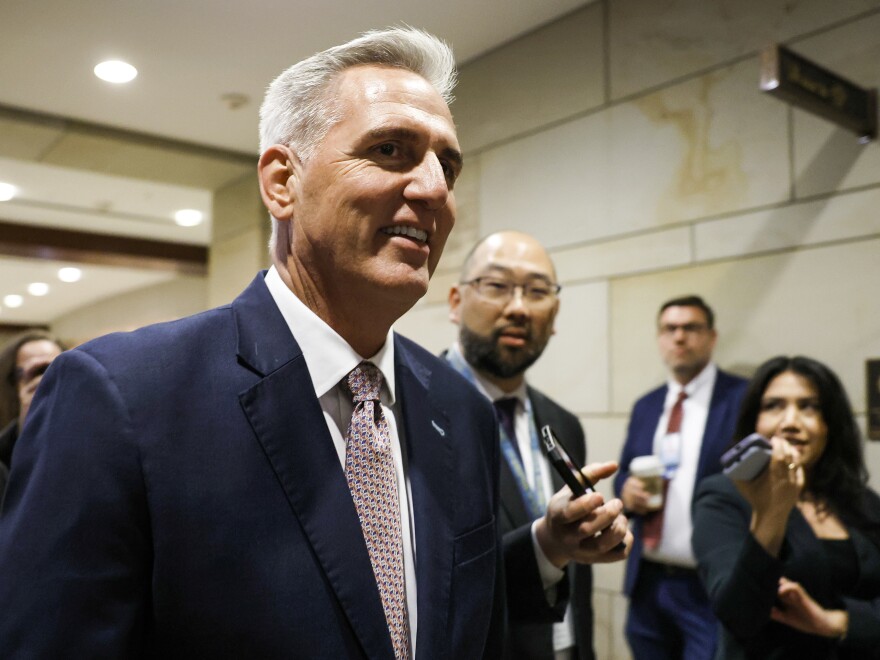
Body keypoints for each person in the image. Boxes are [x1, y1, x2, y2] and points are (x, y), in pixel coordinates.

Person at [0, 27, 628, 659]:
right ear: (282, 183)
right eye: (389, 149)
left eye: (448, 165)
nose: (435, 189)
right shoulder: (120, 397)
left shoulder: (459, 412)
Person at [446, 231, 629, 660]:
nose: (518, 308)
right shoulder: (413, 408)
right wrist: (547, 542)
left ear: (556, 311)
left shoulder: (563, 423)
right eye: (496, 286)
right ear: (455, 301)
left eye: (537, 292)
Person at [692, 356, 880, 659]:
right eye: (774, 406)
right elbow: (739, 615)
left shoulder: (861, 500)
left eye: (809, 406)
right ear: (754, 422)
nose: (790, 422)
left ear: (829, 424)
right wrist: (772, 512)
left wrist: (838, 622)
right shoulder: (722, 496)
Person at [614, 295, 748, 659]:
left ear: (712, 336)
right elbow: (623, 470)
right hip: (648, 581)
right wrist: (625, 489)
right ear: (659, 338)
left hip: (707, 584)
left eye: (691, 328)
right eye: (670, 329)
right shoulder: (647, 404)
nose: (679, 337)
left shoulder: (742, 398)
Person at [0, 330, 64, 497]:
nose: (44, 378)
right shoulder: (3, 453)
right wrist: (29, 422)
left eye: (52, 368)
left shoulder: (93, 430)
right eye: (35, 371)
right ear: (11, 383)